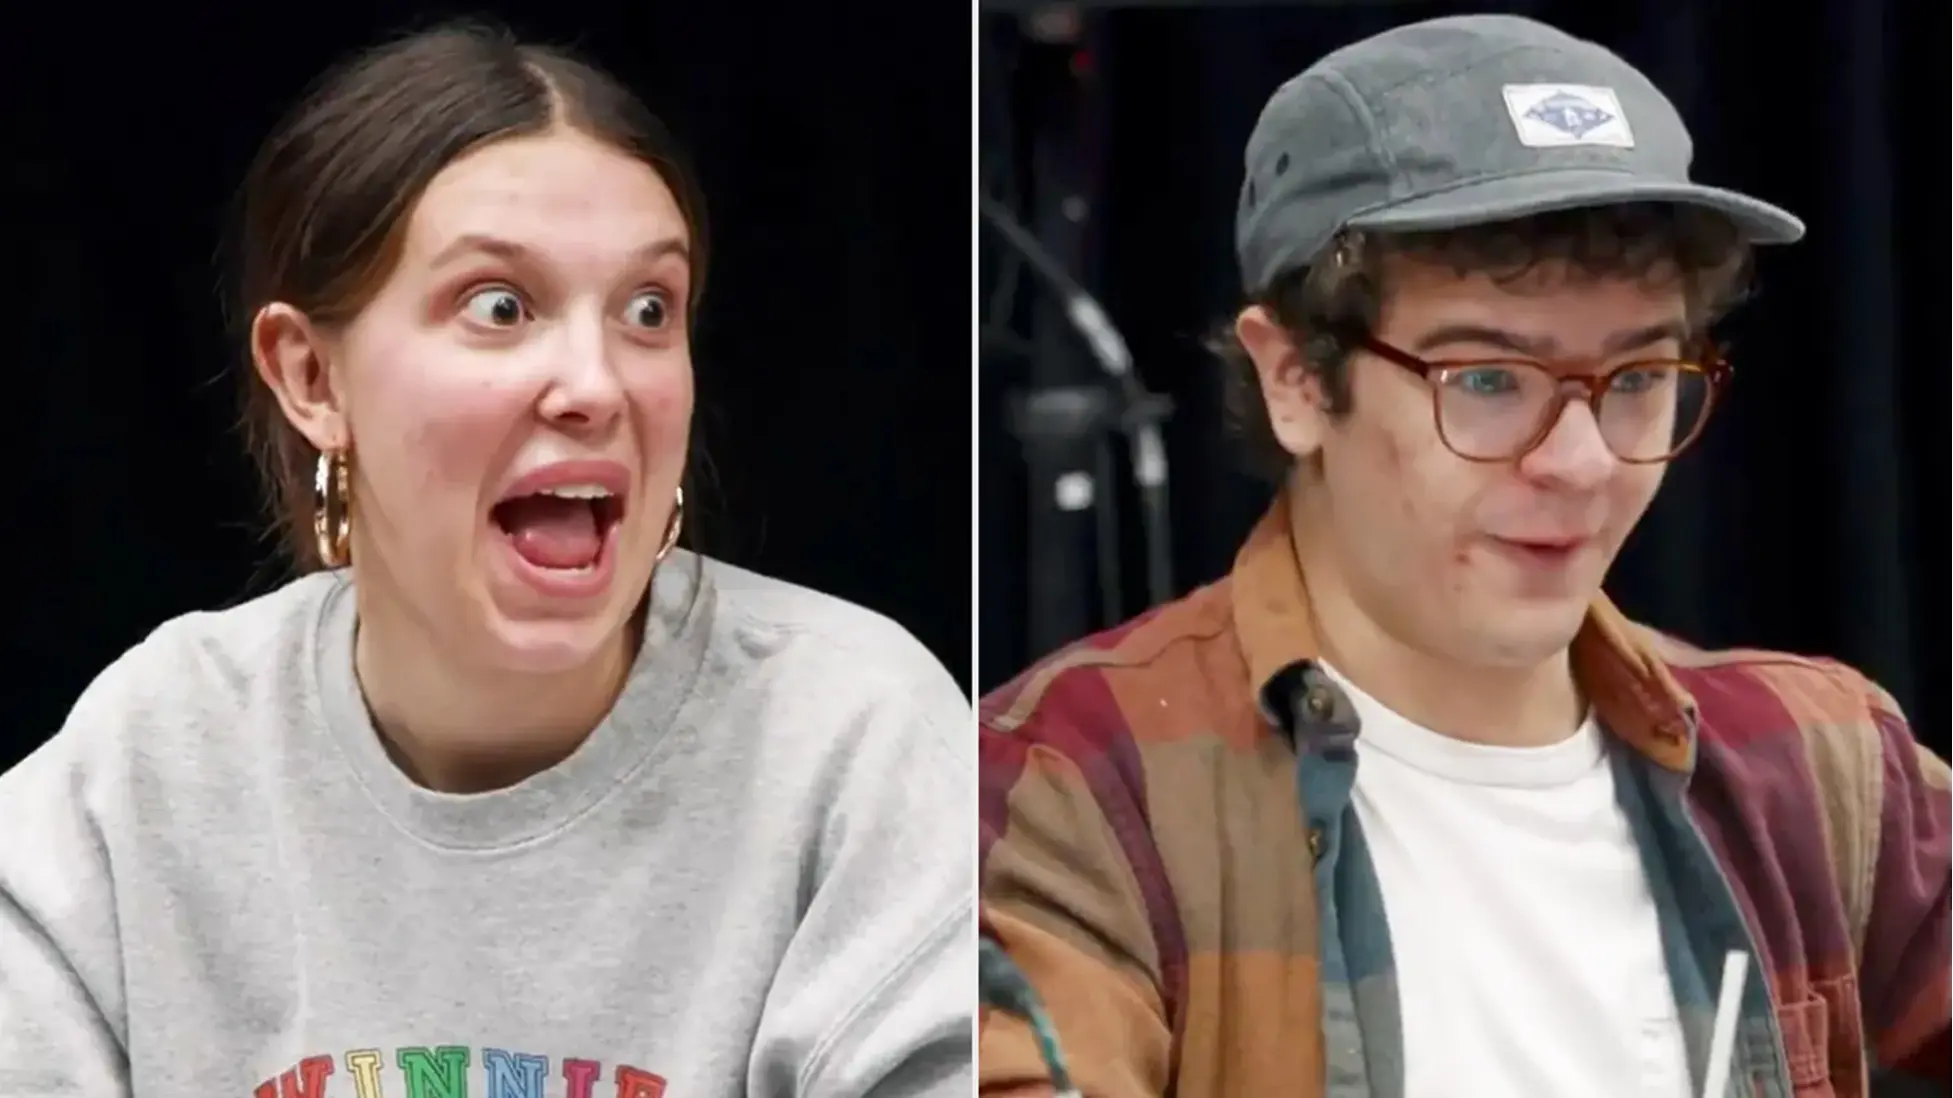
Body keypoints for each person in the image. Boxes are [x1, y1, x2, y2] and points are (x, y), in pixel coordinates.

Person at [978, 14, 1948, 1098]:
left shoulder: (1821, 759)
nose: (1582, 463)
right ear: (1297, 378)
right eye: (1488, 379)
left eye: (1636, 378)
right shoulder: (1070, 788)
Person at [0, 21, 972, 1098]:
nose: (596, 383)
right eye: (499, 308)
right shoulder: (149, 759)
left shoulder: (855, 738)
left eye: (649, 310)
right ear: (312, 378)